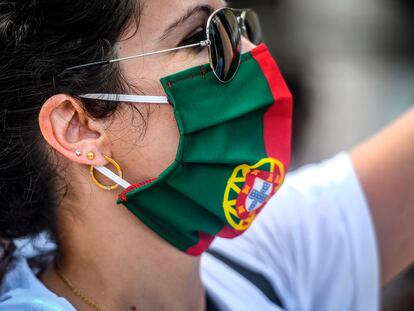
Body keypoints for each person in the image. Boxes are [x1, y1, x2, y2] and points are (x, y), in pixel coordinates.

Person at [0, 0, 413, 310]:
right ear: (79, 127)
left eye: (236, 25)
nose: (251, 53)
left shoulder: (256, 262)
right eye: (200, 37)